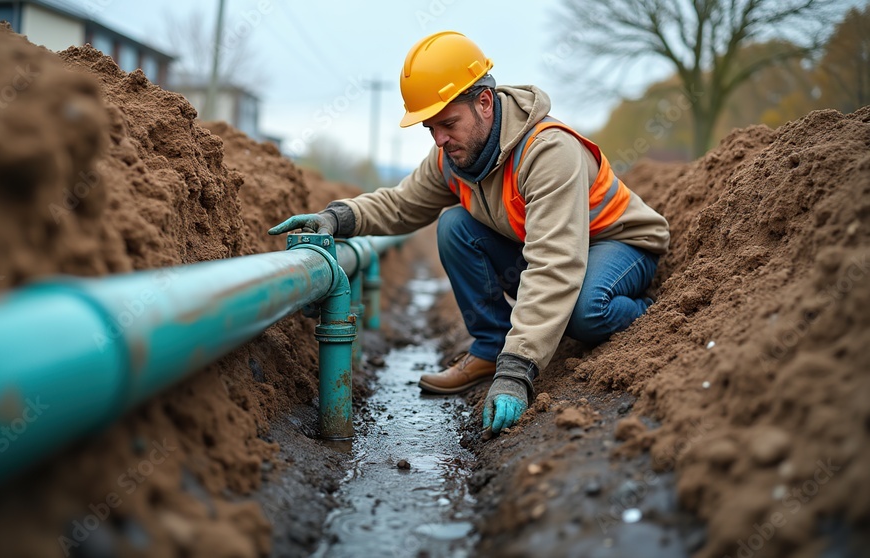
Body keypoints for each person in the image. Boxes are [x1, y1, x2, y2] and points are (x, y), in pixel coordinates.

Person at [269, 31, 669, 437]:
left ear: (484, 103)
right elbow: (402, 204)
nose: (440, 138)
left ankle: (650, 314)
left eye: (448, 123)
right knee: (455, 226)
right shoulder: (454, 155)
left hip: (617, 242)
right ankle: (491, 348)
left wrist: (518, 372)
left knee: (585, 314)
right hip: (556, 247)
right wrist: (337, 218)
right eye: (430, 128)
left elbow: (555, 263)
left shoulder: (548, 152)